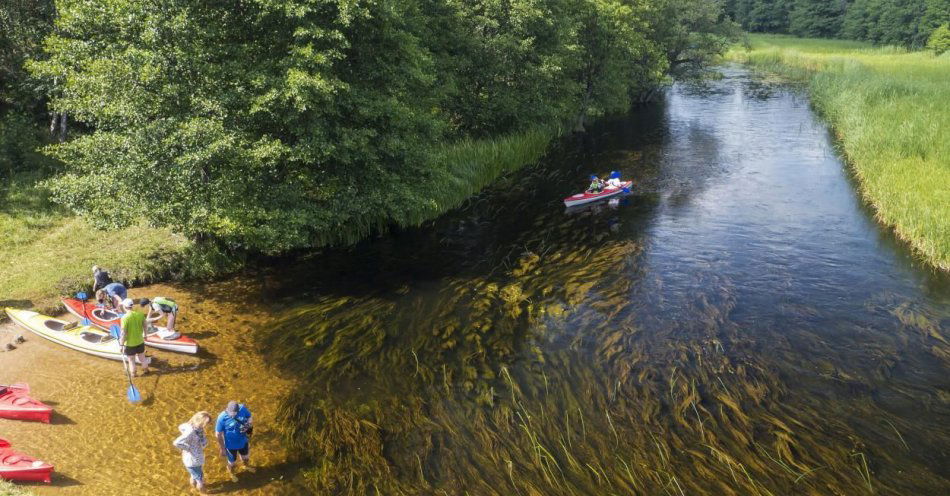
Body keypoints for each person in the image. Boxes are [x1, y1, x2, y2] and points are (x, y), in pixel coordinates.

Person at [173, 411, 212, 494]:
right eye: (206, 423)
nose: (207, 425)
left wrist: (188, 447)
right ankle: (203, 493)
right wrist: (188, 448)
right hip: (194, 460)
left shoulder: (191, 426)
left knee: (194, 475)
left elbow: (180, 427)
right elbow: (176, 443)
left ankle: (193, 489)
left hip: (189, 459)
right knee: (200, 480)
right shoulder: (191, 431)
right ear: (201, 421)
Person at [215, 401, 254, 482]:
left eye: (235, 413)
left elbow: (250, 417)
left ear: (238, 410)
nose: (232, 415)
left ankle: (246, 466)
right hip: (230, 445)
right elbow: (218, 434)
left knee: (246, 458)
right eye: (230, 413)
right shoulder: (222, 417)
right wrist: (222, 448)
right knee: (232, 463)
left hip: (243, 441)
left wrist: (248, 425)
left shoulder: (242, 408)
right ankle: (231, 473)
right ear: (227, 409)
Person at [119, 298, 149, 376]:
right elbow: (145, 326)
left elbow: (123, 333)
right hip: (140, 341)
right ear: (132, 306)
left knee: (131, 361)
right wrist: (145, 335)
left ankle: (133, 374)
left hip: (130, 344)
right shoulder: (140, 314)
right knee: (142, 358)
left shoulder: (124, 318)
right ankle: (146, 370)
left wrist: (121, 345)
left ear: (125, 307)